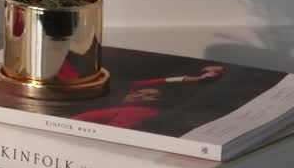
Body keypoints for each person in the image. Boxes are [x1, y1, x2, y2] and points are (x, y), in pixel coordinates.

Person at [71, 65, 226, 129]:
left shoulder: (136, 110)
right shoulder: (129, 86)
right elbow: (170, 80)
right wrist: (200, 78)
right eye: (148, 92)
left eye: (152, 97)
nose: (146, 95)